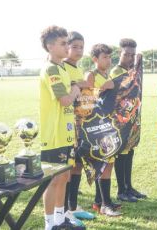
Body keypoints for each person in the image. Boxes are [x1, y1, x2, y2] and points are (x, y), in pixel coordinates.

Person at [39, 25, 83, 230]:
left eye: (68, 42)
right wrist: (75, 89)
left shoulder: (63, 68)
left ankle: (59, 219)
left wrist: (75, 93)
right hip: (53, 134)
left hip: (66, 133)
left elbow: (71, 101)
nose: (67, 47)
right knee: (52, 180)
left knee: (64, 176)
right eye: (63, 43)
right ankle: (49, 225)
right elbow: (65, 100)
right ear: (49, 46)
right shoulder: (50, 69)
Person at [84, 43, 122, 217]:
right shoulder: (90, 75)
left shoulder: (108, 74)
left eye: (109, 57)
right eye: (104, 57)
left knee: (109, 164)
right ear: (95, 59)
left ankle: (99, 201)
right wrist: (102, 89)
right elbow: (86, 102)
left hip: (109, 126)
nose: (108, 60)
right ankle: (106, 205)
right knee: (104, 165)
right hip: (97, 128)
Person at [63, 31, 95, 225]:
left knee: (78, 166)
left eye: (81, 47)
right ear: (66, 47)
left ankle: (73, 206)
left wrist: (81, 83)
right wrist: (80, 83)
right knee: (68, 168)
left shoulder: (77, 68)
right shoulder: (62, 67)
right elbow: (72, 88)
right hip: (68, 127)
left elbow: (86, 86)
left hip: (82, 125)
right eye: (74, 46)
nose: (78, 50)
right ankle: (65, 210)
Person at [110, 38, 147, 202]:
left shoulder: (133, 71)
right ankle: (121, 190)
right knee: (121, 154)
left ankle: (129, 186)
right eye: (127, 54)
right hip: (120, 121)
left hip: (133, 120)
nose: (130, 58)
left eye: (133, 55)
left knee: (129, 152)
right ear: (120, 53)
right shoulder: (115, 72)